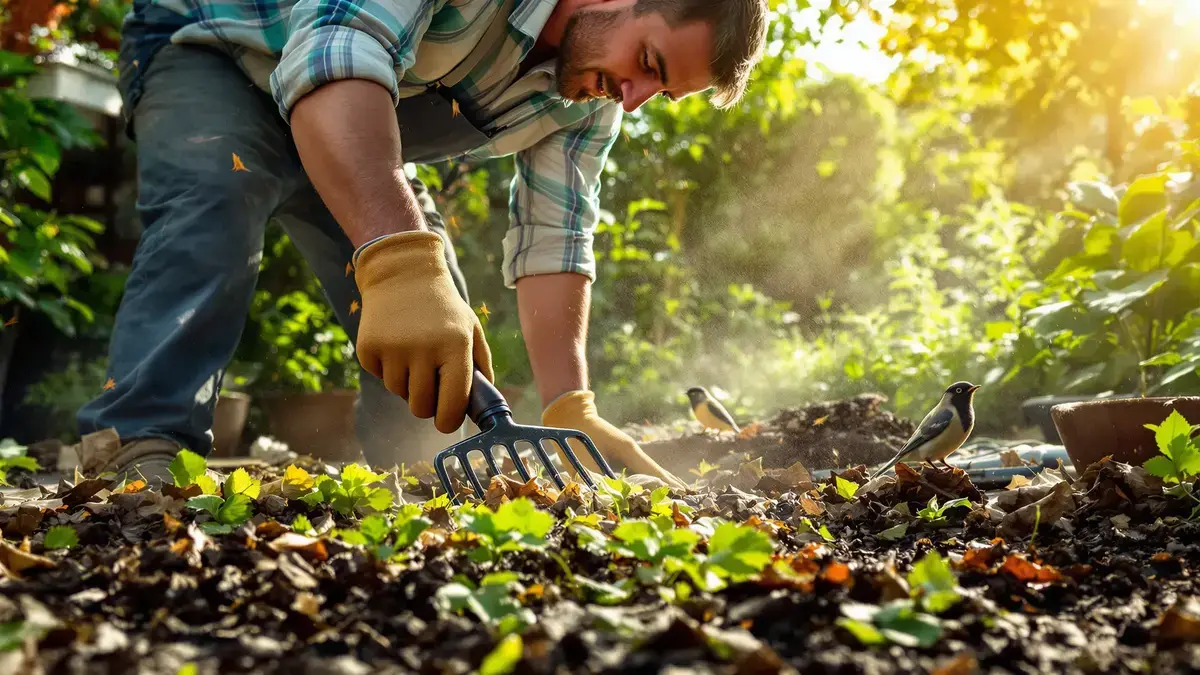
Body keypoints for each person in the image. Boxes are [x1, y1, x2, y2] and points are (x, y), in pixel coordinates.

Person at [73, 0, 769, 491]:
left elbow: (555, 238)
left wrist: (569, 404)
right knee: (219, 193)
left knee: (439, 337)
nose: (634, 97)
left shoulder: (588, 99)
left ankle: (412, 471)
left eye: (659, 91)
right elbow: (337, 47)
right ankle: (138, 448)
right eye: (647, 62)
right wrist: (399, 258)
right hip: (217, 49)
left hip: (339, 117)